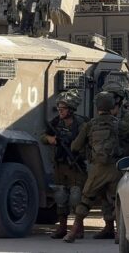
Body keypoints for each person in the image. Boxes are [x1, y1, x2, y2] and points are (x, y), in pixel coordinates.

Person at [63, 92, 129, 243]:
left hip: (97, 169)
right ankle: (119, 235)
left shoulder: (90, 125)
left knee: (85, 200)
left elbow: (75, 146)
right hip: (115, 168)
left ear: (97, 107)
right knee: (117, 202)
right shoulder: (118, 124)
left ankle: (72, 233)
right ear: (112, 106)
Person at [41, 89, 87, 239]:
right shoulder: (56, 122)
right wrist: (50, 139)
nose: (60, 111)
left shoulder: (81, 124)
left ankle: (78, 228)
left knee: (75, 197)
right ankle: (62, 228)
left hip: (75, 165)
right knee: (60, 196)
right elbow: (43, 136)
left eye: (63, 108)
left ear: (71, 109)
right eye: (59, 108)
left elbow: (88, 142)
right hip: (60, 165)